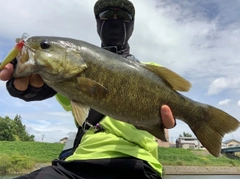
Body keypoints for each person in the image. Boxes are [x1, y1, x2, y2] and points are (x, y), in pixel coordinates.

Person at [0, 0, 176, 178]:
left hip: (138, 164)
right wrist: (29, 79)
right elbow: (46, 88)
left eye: (123, 16)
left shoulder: (149, 72)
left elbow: (170, 111)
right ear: (98, 23)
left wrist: (169, 119)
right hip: (78, 164)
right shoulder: (66, 73)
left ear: (131, 25)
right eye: (106, 14)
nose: (114, 20)